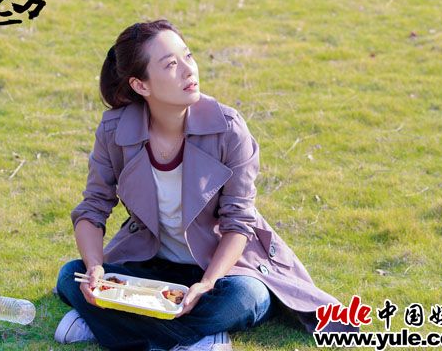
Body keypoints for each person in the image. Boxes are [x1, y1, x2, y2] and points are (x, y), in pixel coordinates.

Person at [54, 19, 358, 351]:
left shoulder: (228, 128)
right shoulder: (115, 130)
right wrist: (96, 268)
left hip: (224, 270)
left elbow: (238, 223)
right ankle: (198, 336)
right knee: (72, 274)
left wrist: (208, 283)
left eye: (188, 56)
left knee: (248, 297)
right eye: (171, 64)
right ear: (141, 85)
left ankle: (112, 327)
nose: (189, 70)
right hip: (152, 264)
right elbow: (93, 208)